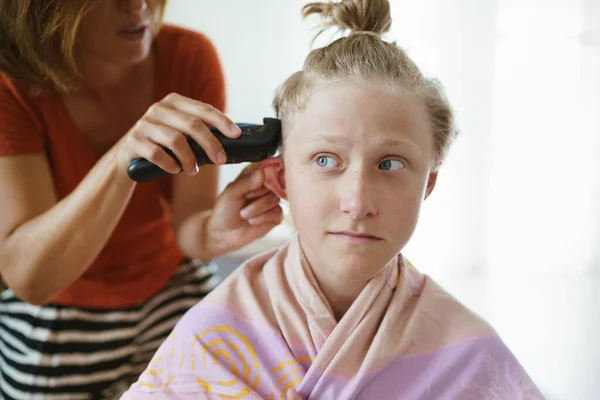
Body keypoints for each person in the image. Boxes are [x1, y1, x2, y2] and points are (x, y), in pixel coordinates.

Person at [123, 0, 545, 398]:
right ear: (282, 179)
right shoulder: (211, 340)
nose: (357, 202)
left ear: (429, 184)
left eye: (390, 164)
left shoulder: (470, 357)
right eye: (326, 159)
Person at [0, 0, 284, 398]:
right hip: (61, 312)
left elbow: (189, 226)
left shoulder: (189, 57)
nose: (138, 5)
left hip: (173, 285)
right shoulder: (10, 86)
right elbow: (30, 281)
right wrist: (121, 160)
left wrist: (216, 232)